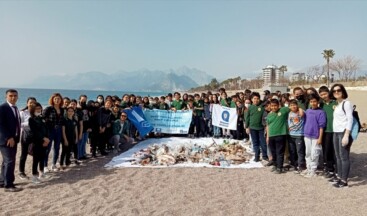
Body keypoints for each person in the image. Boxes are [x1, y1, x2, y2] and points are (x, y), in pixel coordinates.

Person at [330, 84, 353, 188]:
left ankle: (344, 181)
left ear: (343, 91)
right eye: (334, 91)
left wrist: (346, 135)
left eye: (339, 90)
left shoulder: (346, 103)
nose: (336, 92)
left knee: (344, 157)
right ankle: (339, 177)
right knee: (338, 156)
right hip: (336, 132)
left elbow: (350, 119)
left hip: (343, 133)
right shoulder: (337, 104)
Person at [0, 89, 22, 192]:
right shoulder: (3, 108)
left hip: (14, 138)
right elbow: (1, 125)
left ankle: (3, 181)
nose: (13, 97)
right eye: (11, 96)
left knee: (6, 161)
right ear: (6, 97)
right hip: (6, 140)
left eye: (15, 96)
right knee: (10, 161)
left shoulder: (15, 108)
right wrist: (9, 137)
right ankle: (8, 185)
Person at [303, 94, 326, 178]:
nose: (313, 103)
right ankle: (308, 168)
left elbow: (321, 126)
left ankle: (313, 170)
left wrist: (320, 138)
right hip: (307, 135)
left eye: (315, 101)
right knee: (308, 153)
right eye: (311, 102)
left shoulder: (321, 112)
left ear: (318, 102)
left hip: (316, 136)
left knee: (315, 153)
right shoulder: (308, 111)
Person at [28, 102, 51, 183]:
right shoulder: (31, 119)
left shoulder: (42, 118)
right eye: (37, 109)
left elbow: (47, 129)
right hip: (36, 142)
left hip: (45, 142)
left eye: (40, 108)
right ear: (33, 110)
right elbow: (35, 131)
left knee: (42, 158)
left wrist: (47, 139)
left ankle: (42, 173)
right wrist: (43, 138)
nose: (39, 110)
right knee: (36, 159)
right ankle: (34, 176)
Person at [266, 99, 289, 174]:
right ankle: (275, 165)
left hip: (280, 134)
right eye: (272, 106)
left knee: (280, 152)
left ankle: (280, 167)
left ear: (278, 105)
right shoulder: (269, 115)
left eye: (275, 106)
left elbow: (293, 107)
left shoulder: (283, 110)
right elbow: (267, 126)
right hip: (271, 135)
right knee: (273, 152)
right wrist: (267, 136)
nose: (273, 107)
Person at [319, 86, 337, 178]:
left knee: (335, 150)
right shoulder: (320, 104)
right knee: (326, 150)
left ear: (329, 93)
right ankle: (329, 168)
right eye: (321, 95)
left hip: (335, 130)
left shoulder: (335, 103)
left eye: (325, 94)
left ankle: (336, 168)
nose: (324, 96)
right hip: (325, 131)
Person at [43, 93, 64, 172]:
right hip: (50, 130)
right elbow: (43, 118)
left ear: (60, 100)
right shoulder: (49, 109)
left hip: (59, 130)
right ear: (52, 99)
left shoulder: (62, 109)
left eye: (58, 98)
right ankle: (45, 166)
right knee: (47, 148)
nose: (57, 100)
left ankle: (53, 164)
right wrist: (50, 125)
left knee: (57, 148)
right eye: (55, 99)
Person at [245, 92, 268, 162]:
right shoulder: (250, 107)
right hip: (252, 128)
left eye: (257, 98)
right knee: (255, 143)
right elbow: (247, 118)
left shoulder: (262, 107)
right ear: (252, 99)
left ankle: (264, 156)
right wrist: (247, 127)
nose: (256, 100)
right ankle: (257, 156)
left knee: (263, 143)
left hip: (261, 128)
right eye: (254, 98)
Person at [18, 97, 37, 180]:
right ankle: (21, 172)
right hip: (25, 135)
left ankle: (35, 172)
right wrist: (29, 122)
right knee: (24, 154)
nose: (32, 104)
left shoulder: (36, 112)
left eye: (34, 103)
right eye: (30, 102)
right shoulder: (22, 112)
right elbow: (19, 124)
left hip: (35, 136)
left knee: (35, 154)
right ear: (27, 103)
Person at [287, 99, 306, 173]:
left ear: (297, 105)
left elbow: (301, 114)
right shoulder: (289, 113)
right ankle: (294, 164)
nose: (293, 106)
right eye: (291, 105)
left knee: (299, 151)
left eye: (294, 105)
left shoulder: (301, 111)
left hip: (299, 135)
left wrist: (300, 108)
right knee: (292, 151)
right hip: (291, 135)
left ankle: (301, 165)